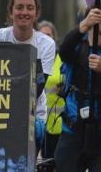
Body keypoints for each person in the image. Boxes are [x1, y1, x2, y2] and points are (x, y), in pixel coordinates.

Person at [56, 1, 101, 172]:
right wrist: (84, 25)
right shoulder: (78, 46)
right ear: (96, 22)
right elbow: (64, 50)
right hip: (73, 130)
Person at [0, 0, 56, 150]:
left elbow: (38, 86)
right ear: (10, 12)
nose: (24, 12)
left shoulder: (46, 44)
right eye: (19, 7)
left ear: (36, 13)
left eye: (30, 8)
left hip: (31, 118)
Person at [37, 20, 65, 159]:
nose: (46, 38)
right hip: (39, 121)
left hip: (60, 122)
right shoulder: (32, 58)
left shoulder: (62, 59)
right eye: (42, 35)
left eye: (49, 35)